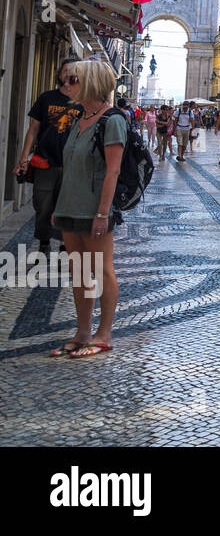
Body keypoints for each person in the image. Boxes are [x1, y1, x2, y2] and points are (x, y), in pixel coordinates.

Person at [48, 60, 124, 358]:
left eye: (73, 79)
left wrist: (103, 213)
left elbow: (113, 172)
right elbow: (71, 169)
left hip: (94, 209)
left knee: (102, 269)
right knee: (78, 270)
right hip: (70, 205)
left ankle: (103, 334)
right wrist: (59, 205)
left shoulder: (111, 120)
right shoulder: (80, 118)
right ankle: (82, 332)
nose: (67, 84)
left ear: (90, 83)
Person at [12, 57, 81, 255]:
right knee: (42, 205)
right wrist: (23, 158)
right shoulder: (46, 98)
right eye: (65, 70)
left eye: (73, 71)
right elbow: (33, 129)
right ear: (59, 73)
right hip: (44, 161)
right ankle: (43, 242)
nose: (68, 74)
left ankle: (63, 245)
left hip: (72, 165)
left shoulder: (84, 101)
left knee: (65, 206)